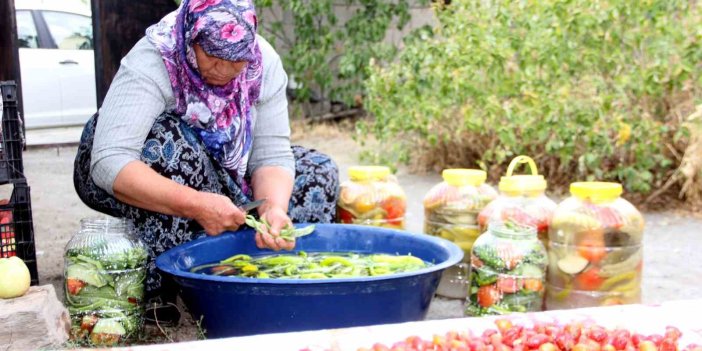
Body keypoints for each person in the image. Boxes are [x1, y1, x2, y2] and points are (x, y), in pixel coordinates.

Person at [73, 0, 339, 324]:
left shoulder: (262, 62)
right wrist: (197, 205)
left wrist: (274, 209)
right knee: (173, 146)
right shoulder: (156, 58)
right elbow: (109, 160)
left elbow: (271, 153)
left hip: (221, 172)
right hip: (132, 169)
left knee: (318, 173)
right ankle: (162, 286)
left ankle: (258, 276)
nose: (224, 72)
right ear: (192, 38)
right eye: (212, 59)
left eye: (236, 63)